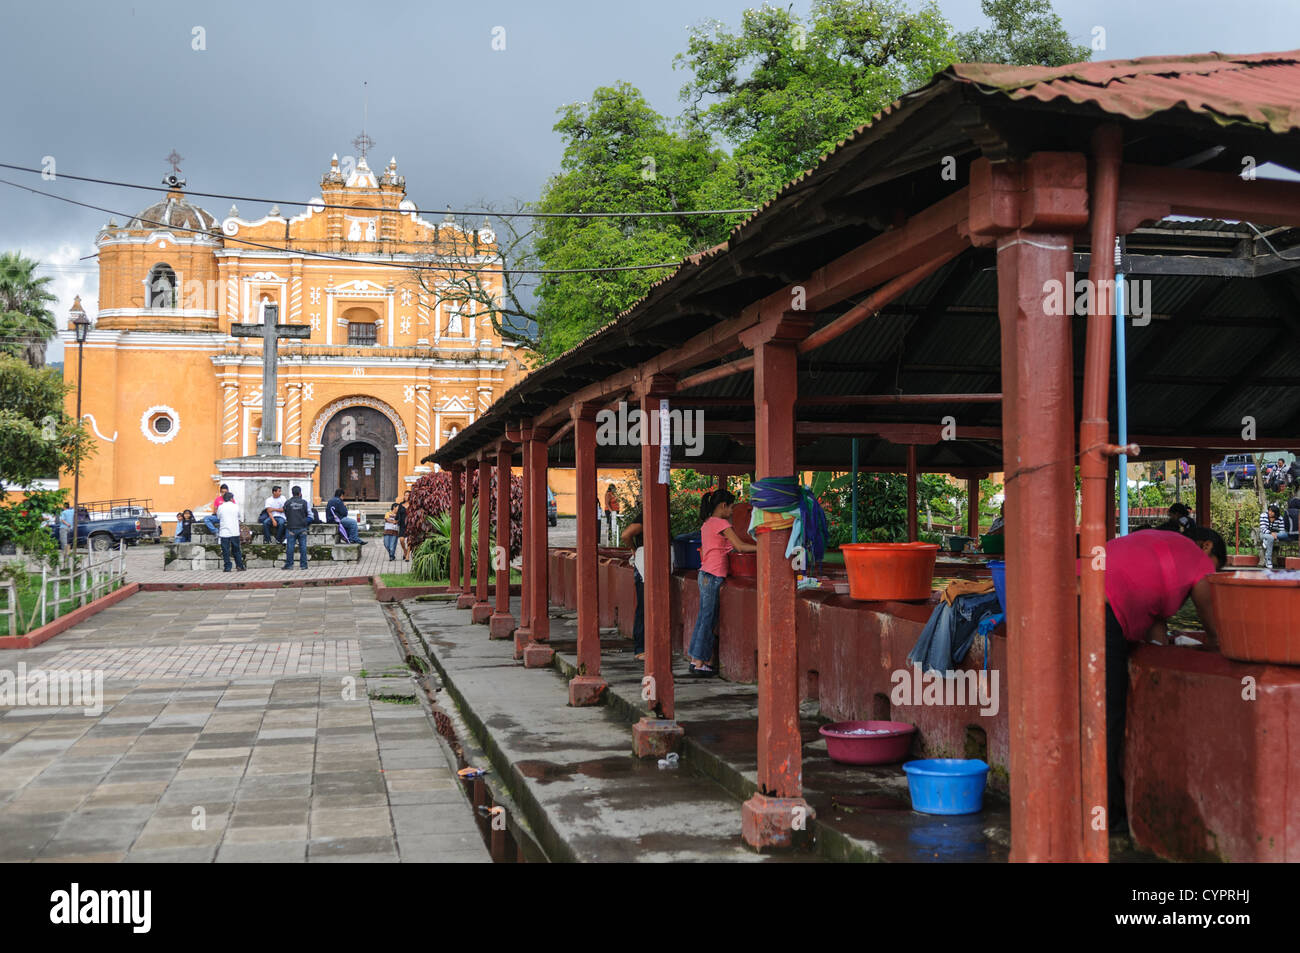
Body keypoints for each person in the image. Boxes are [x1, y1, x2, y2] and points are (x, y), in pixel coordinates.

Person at [1094, 526, 1225, 830]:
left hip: (1076, 590)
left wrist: (1162, 648)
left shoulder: (1162, 546)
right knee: (1106, 717)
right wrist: (1222, 646)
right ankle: (1107, 816)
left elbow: (1155, 625)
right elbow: (1211, 620)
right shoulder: (1199, 559)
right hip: (1102, 608)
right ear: (1206, 547)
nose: (1211, 576)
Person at [685, 488, 757, 677]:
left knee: (703, 618)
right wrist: (764, 547)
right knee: (707, 619)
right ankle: (699, 663)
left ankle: (696, 660)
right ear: (723, 506)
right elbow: (739, 546)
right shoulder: (722, 523)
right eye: (731, 506)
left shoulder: (708, 523)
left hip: (705, 574)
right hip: (714, 575)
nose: (733, 510)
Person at [280, 486, 312, 570]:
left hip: (291, 528)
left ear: (292, 493)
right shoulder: (305, 502)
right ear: (300, 493)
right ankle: (304, 565)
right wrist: (304, 522)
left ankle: (289, 565)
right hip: (302, 528)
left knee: (290, 547)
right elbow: (311, 516)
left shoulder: (287, 502)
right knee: (303, 547)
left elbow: (285, 514)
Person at [217, 491, 246, 572]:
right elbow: (239, 516)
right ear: (231, 498)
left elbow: (218, 516)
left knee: (225, 550)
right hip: (234, 531)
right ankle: (240, 565)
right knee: (236, 550)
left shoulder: (220, 507)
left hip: (224, 532)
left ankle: (227, 567)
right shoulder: (236, 506)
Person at [1259, 502, 1293, 570]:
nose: (1270, 512)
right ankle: (1268, 560)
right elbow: (1263, 528)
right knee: (1270, 538)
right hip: (1264, 534)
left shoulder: (1280, 518)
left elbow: (1282, 530)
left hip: (1275, 534)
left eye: (1272, 511)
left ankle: (1266, 542)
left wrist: (1277, 535)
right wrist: (1271, 533)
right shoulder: (1263, 515)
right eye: (1269, 510)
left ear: (1276, 512)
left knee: (1277, 537)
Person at [395, 494, 411, 559]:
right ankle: (405, 550)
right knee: (401, 540)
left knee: (409, 541)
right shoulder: (401, 505)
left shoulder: (413, 505)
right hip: (402, 525)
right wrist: (396, 521)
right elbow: (398, 514)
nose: (405, 496)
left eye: (407, 495)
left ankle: (407, 555)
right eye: (405, 495)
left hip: (410, 525)